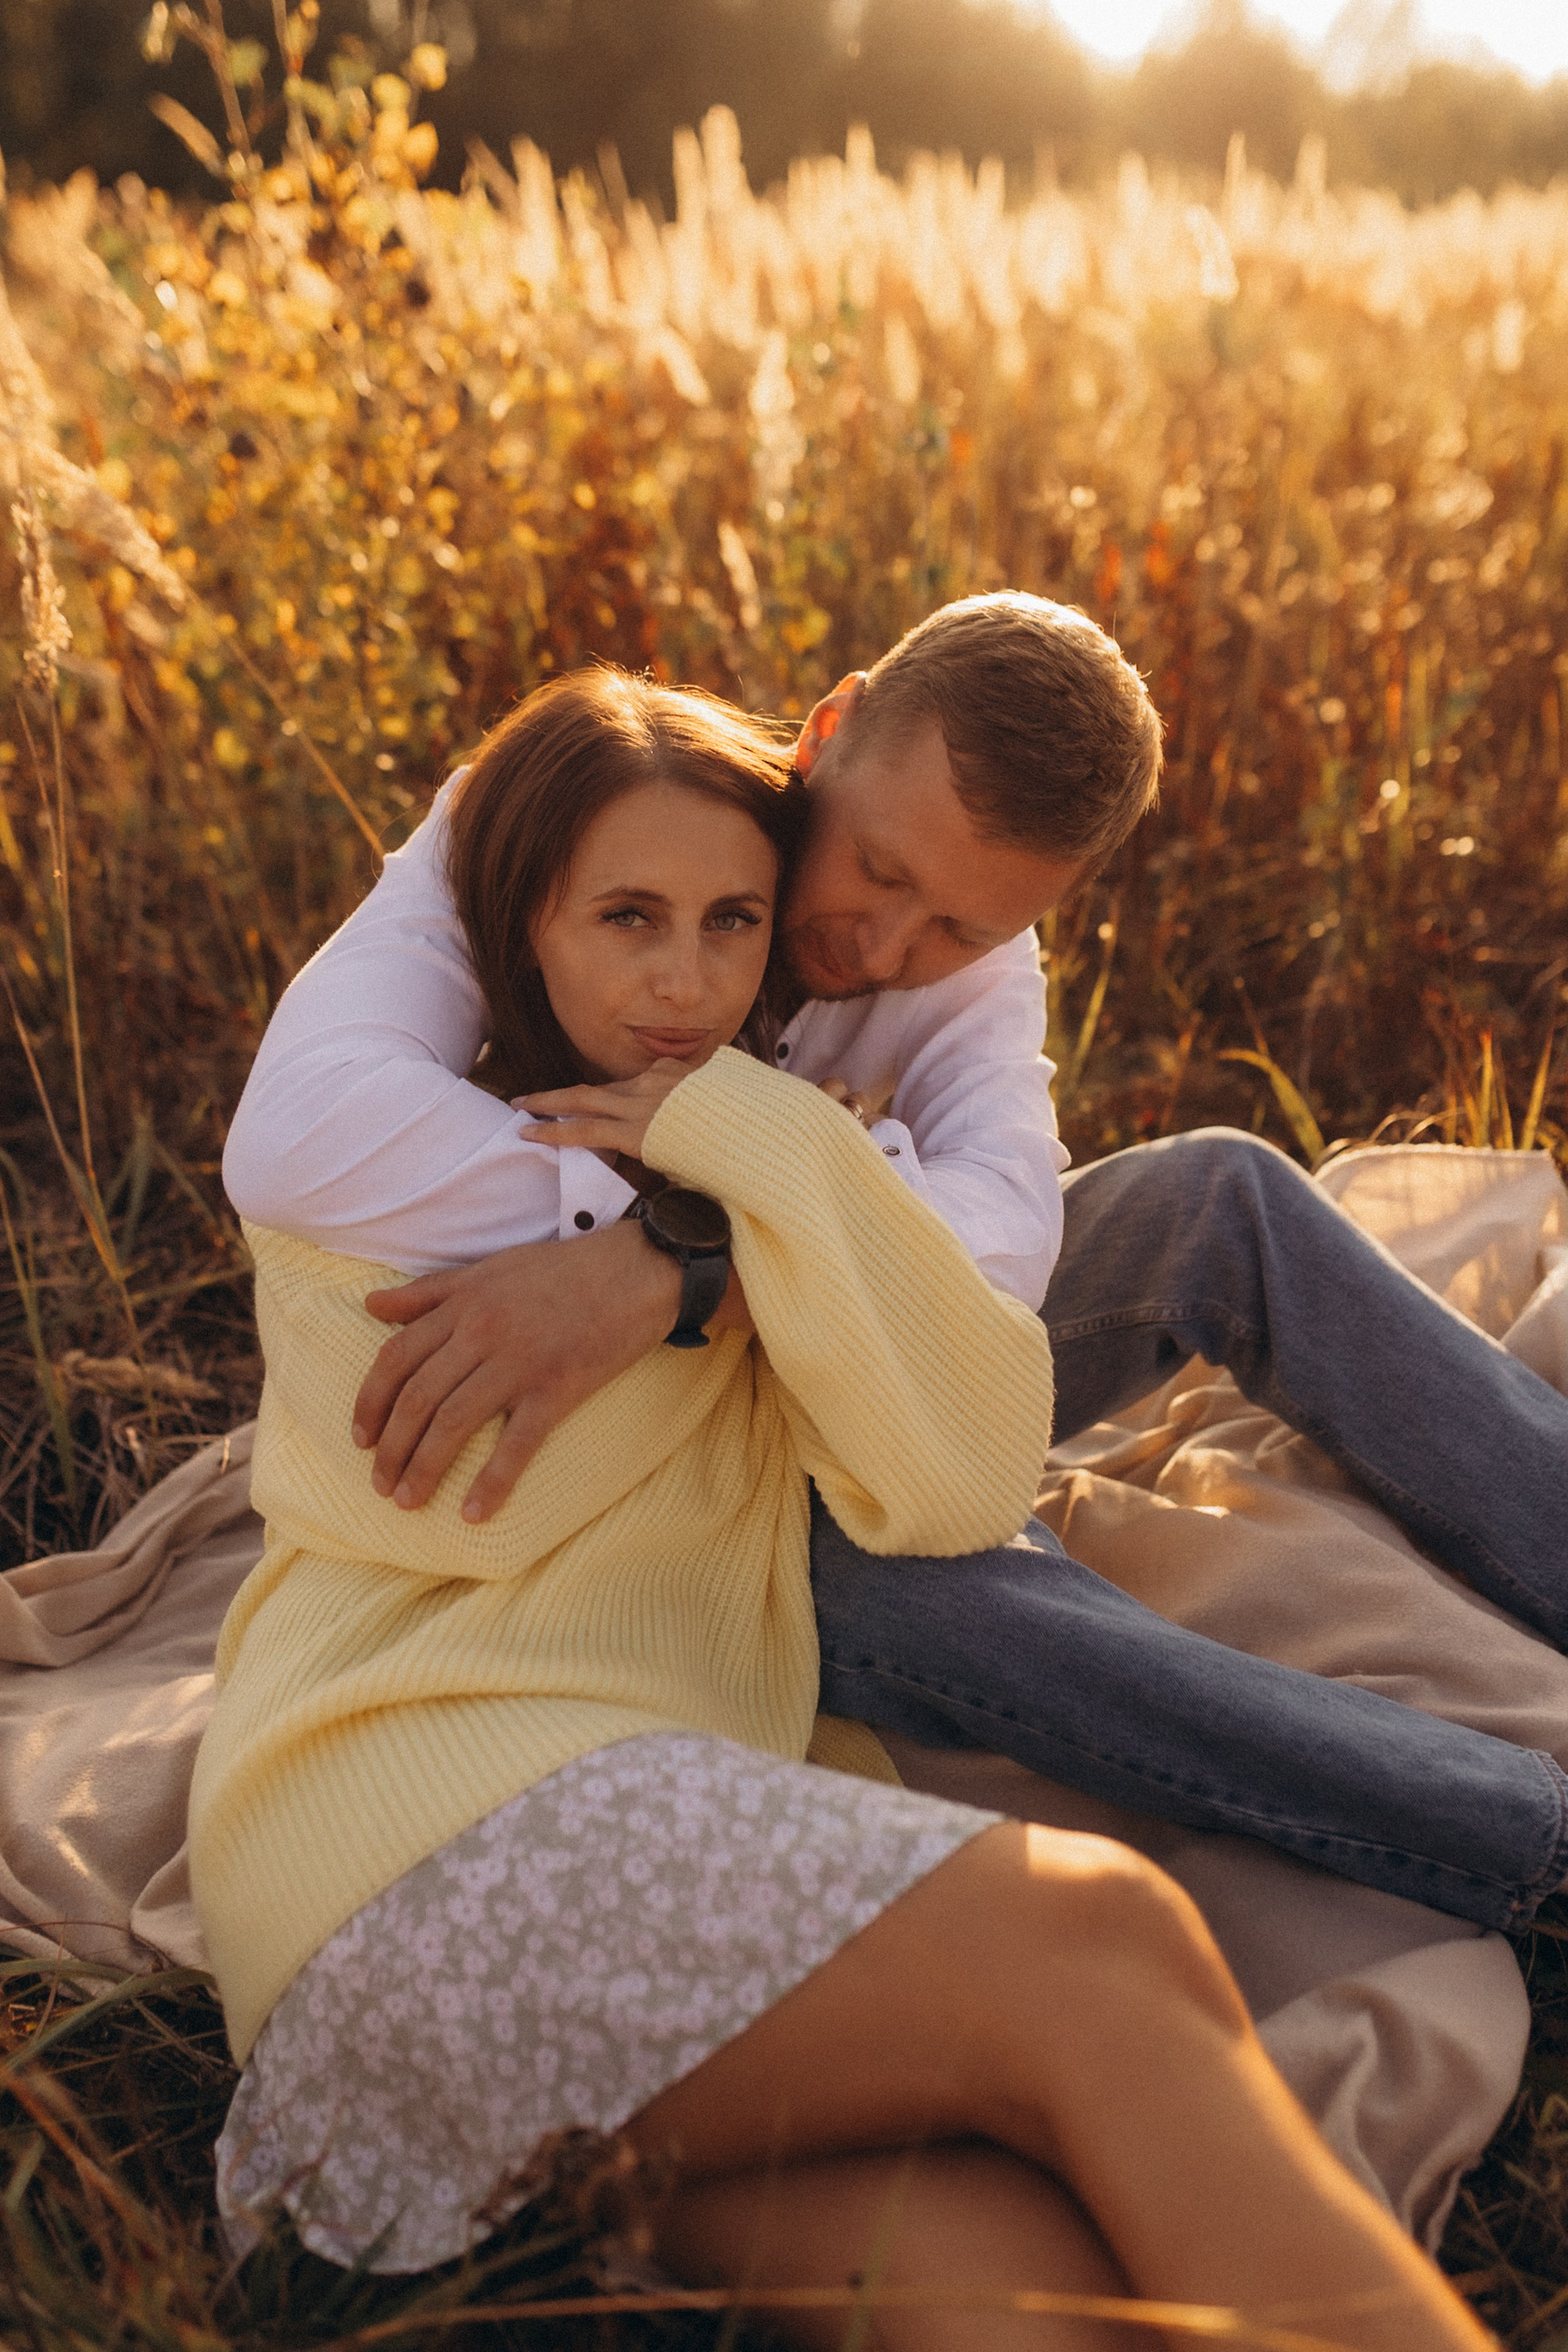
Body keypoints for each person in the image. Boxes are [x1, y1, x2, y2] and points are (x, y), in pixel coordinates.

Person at [197, 667, 1491, 2350]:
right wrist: (760, 1185)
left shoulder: (792, 1159)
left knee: (1019, 2281)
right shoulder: (403, 1190)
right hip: (413, 1829)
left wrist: (727, 1201)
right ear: (522, 926)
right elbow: (291, 1137)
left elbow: (961, 1471)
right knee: (1095, 1940)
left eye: (732, 921)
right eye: (630, 921)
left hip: (558, 1960)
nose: (688, 977)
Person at [223, 593, 1568, 1933]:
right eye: (874, 870)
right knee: (951, 1591)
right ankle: (1532, 1844)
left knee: (1216, 1191)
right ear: (827, 731)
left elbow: (996, 1257)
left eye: (953, 931)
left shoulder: (976, 946)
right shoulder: (572, 816)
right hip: (674, 1482)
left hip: (855, 1370)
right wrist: (781, 1220)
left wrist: (678, 1264)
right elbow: (298, 1135)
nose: (882, 950)